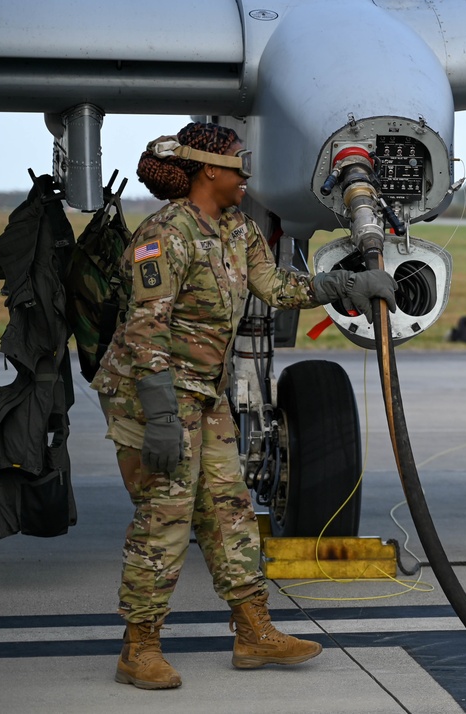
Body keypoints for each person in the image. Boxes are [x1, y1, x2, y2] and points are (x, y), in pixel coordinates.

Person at [91, 121, 397, 690]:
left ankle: (254, 631)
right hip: (149, 391)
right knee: (166, 517)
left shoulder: (237, 229)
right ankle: (139, 646)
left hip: (204, 392)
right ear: (209, 168)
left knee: (230, 511)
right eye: (238, 161)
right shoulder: (166, 234)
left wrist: (344, 288)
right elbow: (143, 330)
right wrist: (159, 416)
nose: (246, 172)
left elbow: (276, 287)